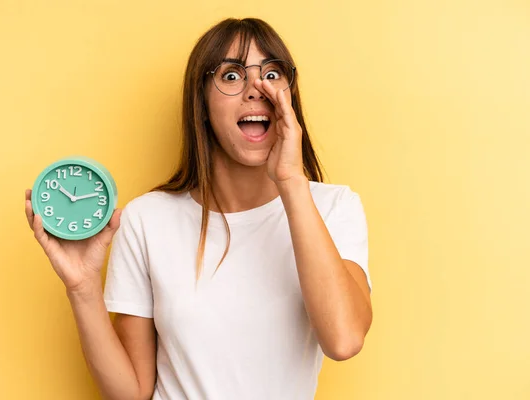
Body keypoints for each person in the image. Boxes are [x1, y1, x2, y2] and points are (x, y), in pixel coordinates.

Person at [24, 17, 373, 400]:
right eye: (231, 75)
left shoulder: (333, 207)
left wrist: (290, 180)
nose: (257, 89)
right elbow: (131, 393)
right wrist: (83, 288)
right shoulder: (147, 219)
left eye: (271, 74)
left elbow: (343, 339)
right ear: (202, 103)